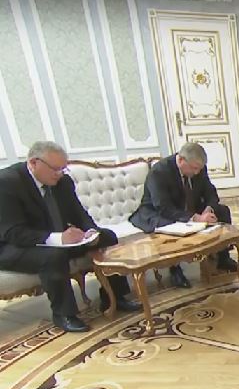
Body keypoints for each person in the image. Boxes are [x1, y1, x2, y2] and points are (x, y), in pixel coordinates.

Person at [0, 141, 141, 332]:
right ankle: (64, 315)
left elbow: (79, 214)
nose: (60, 173)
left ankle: (115, 297)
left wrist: (91, 232)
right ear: (33, 163)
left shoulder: (62, 181)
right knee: (53, 256)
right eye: (55, 169)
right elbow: (13, 232)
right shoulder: (8, 182)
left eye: (63, 169)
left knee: (107, 237)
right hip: (13, 247)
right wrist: (58, 238)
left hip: (55, 240)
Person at [129, 142, 239, 289]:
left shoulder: (198, 169)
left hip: (188, 208)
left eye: (199, 169)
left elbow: (210, 192)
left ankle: (223, 258)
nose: (196, 173)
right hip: (157, 213)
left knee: (222, 211)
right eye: (194, 168)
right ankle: (175, 270)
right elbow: (163, 207)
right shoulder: (159, 171)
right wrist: (197, 218)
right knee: (169, 224)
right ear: (181, 160)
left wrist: (208, 210)